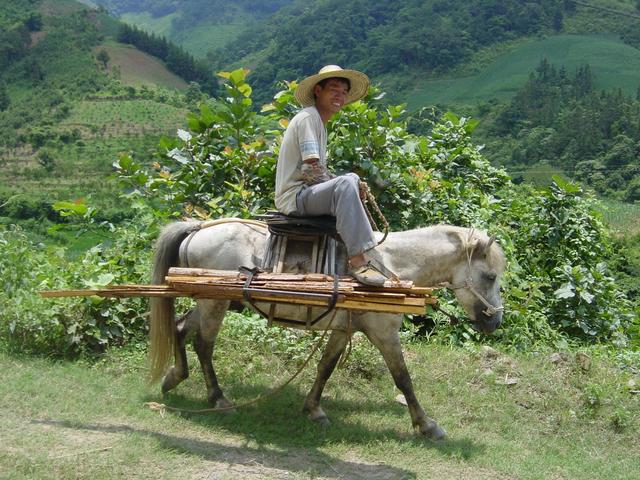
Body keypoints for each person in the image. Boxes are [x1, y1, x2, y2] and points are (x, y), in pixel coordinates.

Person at [274, 65, 388, 286]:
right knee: (346, 183)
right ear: (318, 90)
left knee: (351, 180)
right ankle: (358, 261)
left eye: (344, 92)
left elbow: (316, 172)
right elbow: (310, 169)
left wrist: (349, 185)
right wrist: (343, 187)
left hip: (306, 193)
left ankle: (358, 245)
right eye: (334, 89)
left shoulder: (318, 122)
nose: (340, 95)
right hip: (295, 197)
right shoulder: (309, 118)